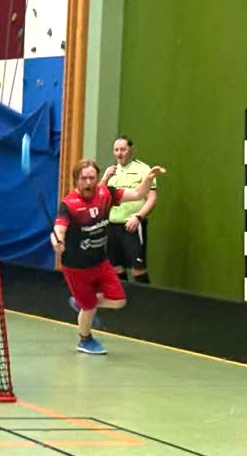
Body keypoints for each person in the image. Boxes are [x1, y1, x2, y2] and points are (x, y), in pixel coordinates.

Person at [51, 159, 166, 355]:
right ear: (76, 180)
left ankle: (82, 302)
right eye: (83, 178)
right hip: (77, 267)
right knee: (89, 307)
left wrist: (149, 178)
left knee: (119, 300)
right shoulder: (69, 204)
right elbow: (59, 229)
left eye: (92, 178)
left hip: (100, 262)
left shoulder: (106, 194)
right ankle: (85, 340)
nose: (88, 182)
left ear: (97, 178)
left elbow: (138, 194)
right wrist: (57, 242)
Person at [100, 136, 157, 284]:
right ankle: (123, 298)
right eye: (116, 150)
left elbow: (151, 198)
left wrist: (138, 217)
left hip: (132, 226)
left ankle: (146, 298)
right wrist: (105, 177)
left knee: (138, 269)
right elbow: (98, 196)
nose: (119, 153)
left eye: (123, 149)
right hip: (112, 225)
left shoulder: (143, 169)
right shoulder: (112, 171)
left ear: (131, 150)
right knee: (116, 268)